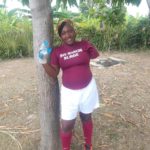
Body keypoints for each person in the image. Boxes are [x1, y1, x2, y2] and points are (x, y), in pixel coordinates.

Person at [39, 19, 100, 150]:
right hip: (69, 92)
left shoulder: (83, 44)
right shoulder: (57, 51)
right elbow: (54, 73)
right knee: (66, 124)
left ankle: (88, 145)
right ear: (60, 36)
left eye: (70, 31)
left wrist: (90, 45)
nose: (68, 35)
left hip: (88, 88)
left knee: (86, 116)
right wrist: (43, 61)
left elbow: (95, 55)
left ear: (74, 31)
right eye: (64, 33)